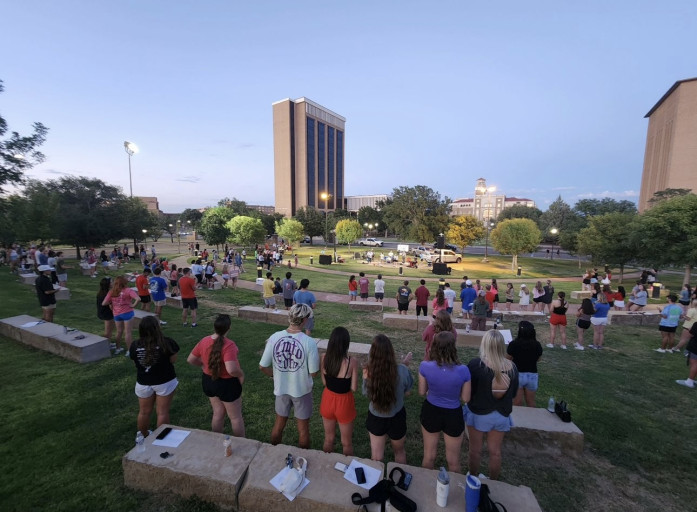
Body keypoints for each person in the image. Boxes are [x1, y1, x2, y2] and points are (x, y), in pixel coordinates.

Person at [259, 304, 319, 448]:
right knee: (303, 430)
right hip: (302, 390)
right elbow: (313, 373)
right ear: (304, 320)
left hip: (281, 389)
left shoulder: (275, 337)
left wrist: (275, 376)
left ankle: (273, 453)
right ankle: (302, 460)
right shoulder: (309, 342)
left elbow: (262, 366)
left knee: (279, 425)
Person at [464, 329, 519, 480]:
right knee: (495, 452)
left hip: (478, 414)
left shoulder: (476, 365)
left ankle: (473, 477)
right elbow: (513, 395)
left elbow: (468, 391)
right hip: (501, 415)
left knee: (475, 450)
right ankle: (494, 481)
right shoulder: (513, 368)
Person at [419, 331, 471, 472]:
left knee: (429, 456)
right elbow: (466, 398)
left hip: (431, 410)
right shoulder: (464, 370)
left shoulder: (424, 366)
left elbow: (422, 391)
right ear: (453, 347)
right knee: (453, 460)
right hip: (453, 413)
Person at [188, 314, 245, 435]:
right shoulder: (229, 345)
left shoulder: (204, 340)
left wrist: (203, 365)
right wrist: (240, 374)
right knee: (235, 417)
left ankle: (216, 442)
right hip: (227, 384)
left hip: (209, 382)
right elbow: (231, 369)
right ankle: (243, 445)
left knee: (218, 413)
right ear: (229, 328)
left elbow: (191, 359)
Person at [363, 334, 413, 463]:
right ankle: (399, 481)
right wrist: (404, 366)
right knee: (399, 452)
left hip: (376, 417)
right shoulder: (402, 370)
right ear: (391, 352)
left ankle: (377, 482)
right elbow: (407, 393)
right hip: (397, 416)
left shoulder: (368, 371)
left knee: (376, 457)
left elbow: (366, 393)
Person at [130, 316, 179, 438]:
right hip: (164, 381)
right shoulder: (167, 343)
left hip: (143, 382)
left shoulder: (135, 345)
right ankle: (162, 438)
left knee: (144, 412)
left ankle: (142, 436)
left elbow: (135, 362)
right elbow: (173, 360)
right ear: (157, 328)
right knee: (162, 412)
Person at [319, 326, 358, 455]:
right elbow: (354, 388)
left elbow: (324, 382)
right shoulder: (352, 362)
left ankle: (326, 466)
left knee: (328, 439)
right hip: (344, 402)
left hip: (328, 399)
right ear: (346, 344)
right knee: (346, 443)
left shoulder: (324, 357)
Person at [506, 321, 542, 407]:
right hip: (532, 374)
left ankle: (518, 420)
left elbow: (507, 359)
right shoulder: (537, 344)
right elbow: (539, 359)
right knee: (531, 402)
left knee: (516, 403)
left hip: (518, 374)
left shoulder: (514, 344)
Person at [102, 275, 141, 354]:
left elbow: (104, 303)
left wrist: (111, 304)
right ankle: (130, 351)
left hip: (117, 314)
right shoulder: (128, 290)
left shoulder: (112, 291)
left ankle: (118, 348)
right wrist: (133, 305)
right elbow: (138, 299)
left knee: (119, 332)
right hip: (127, 313)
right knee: (128, 332)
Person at [676, 322, 697, 388]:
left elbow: (691, 334)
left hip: (695, 347)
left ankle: (689, 382)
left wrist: (690, 329)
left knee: (694, 364)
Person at [96, 277, 115, 347]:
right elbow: (107, 304)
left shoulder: (102, 292)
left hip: (105, 313)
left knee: (110, 330)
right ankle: (105, 345)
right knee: (108, 331)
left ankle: (108, 342)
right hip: (106, 314)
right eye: (111, 282)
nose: (113, 283)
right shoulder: (106, 294)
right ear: (108, 284)